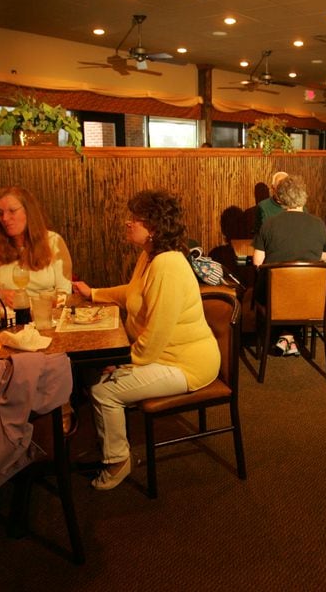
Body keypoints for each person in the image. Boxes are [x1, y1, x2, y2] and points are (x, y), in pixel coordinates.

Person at [72, 190, 220, 490]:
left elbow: (156, 336)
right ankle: (111, 447)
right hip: (164, 355)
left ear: (153, 227)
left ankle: (117, 461)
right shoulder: (150, 257)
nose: (127, 224)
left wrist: (124, 362)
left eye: (134, 219)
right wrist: (94, 294)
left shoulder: (168, 265)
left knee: (103, 391)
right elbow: (133, 292)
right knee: (95, 374)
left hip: (186, 364)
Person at [252, 175, 326, 356]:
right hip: (310, 298)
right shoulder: (318, 224)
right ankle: (289, 337)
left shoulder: (269, 225)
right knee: (296, 291)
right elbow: (324, 256)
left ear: (281, 197)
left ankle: (285, 336)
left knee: (279, 290)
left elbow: (257, 262)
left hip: (275, 298)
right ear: (303, 196)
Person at [0, 186, 73, 306]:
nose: (5, 218)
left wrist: (39, 304)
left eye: (12, 211)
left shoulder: (53, 241)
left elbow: (64, 292)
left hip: (46, 314)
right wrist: (1, 294)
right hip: (7, 315)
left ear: (28, 211)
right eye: (0, 213)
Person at [252, 171, 293, 235]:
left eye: (286, 184)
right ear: (273, 187)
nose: (282, 188)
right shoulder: (263, 207)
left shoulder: (298, 207)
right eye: (279, 185)